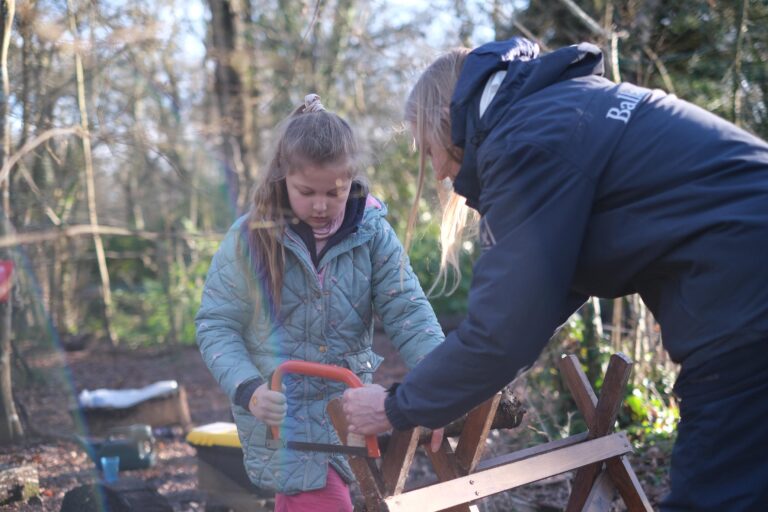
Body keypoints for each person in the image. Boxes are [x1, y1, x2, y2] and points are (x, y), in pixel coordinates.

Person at [342, 38, 768, 511]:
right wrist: (433, 393)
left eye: (430, 150)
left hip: (746, 304)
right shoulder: (559, 111)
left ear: (448, 121)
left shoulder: (524, 139)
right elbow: (533, 308)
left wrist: (394, 406)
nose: (440, 172)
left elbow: (503, 331)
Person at [196, 94, 445, 512]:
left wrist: (442, 386)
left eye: (335, 191)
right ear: (282, 178)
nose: (320, 205)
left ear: (352, 179)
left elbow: (408, 311)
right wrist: (249, 389)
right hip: (282, 415)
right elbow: (215, 324)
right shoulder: (249, 240)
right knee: (324, 500)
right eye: (306, 191)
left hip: (345, 414)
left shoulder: (372, 235)